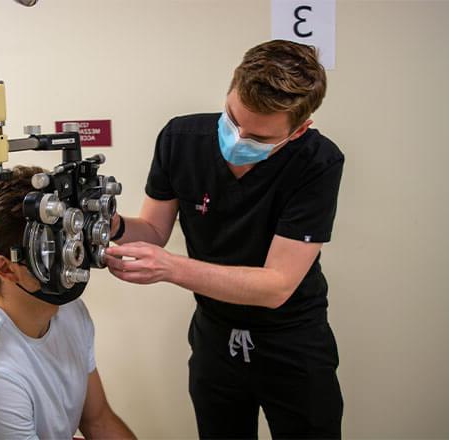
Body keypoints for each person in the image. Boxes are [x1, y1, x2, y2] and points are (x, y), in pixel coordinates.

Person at [106, 40, 344, 439]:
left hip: (292, 339)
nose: (237, 140)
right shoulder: (180, 138)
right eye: (233, 120)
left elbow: (276, 286)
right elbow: (153, 231)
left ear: (299, 130)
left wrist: (172, 268)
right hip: (215, 335)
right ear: (231, 90)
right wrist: (110, 224)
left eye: (259, 138)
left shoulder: (318, 162)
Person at [0, 166, 135, 439]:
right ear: (5, 268)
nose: (71, 256)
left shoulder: (69, 311)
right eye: (48, 249)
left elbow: (98, 420)